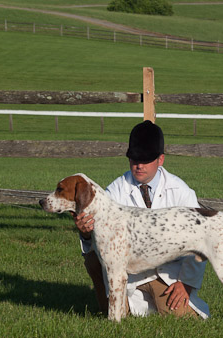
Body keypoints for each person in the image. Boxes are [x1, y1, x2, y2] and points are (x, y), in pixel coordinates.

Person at [74, 120, 209, 320]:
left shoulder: (181, 192)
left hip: (167, 273)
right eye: (134, 158)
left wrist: (187, 284)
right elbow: (100, 241)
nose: (138, 165)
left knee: (181, 317)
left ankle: (154, 301)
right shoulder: (114, 191)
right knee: (94, 259)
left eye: (145, 160)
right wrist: (85, 233)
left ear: (160, 159)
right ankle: (113, 303)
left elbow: (201, 240)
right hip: (127, 274)